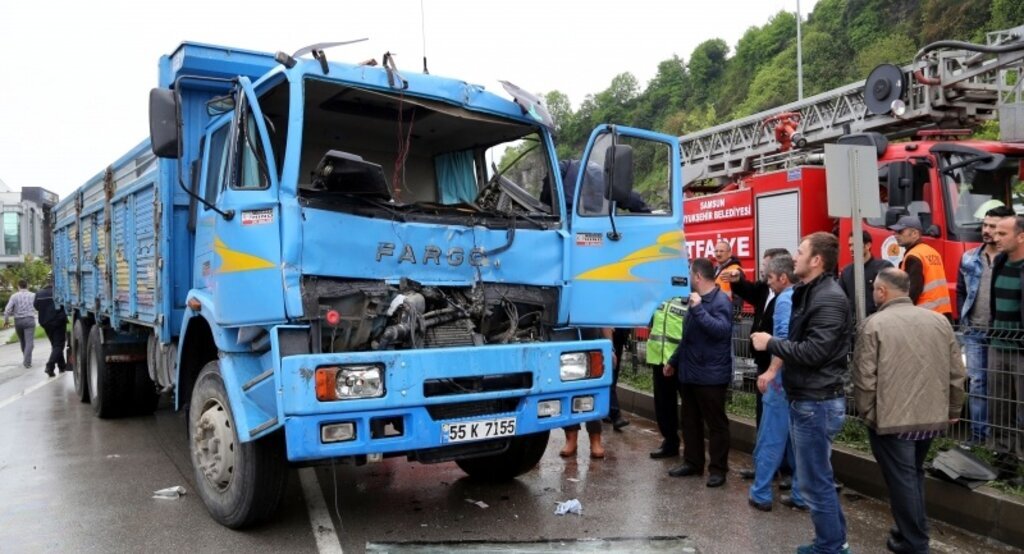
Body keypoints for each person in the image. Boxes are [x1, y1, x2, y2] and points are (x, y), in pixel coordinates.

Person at [751, 232, 852, 554]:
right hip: (808, 399)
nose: (794, 257)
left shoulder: (828, 298)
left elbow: (814, 352)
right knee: (815, 479)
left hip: (817, 402)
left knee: (815, 482)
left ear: (816, 260)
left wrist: (771, 344)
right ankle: (833, 542)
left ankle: (830, 547)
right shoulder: (809, 292)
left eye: (800, 251)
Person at [853, 268, 965, 553]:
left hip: (891, 420)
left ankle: (915, 541)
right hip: (930, 416)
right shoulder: (939, 321)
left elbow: (865, 378)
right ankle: (911, 530)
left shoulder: (873, 324)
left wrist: (868, 414)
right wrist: (953, 407)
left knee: (902, 479)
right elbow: (956, 372)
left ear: (882, 291)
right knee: (912, 474)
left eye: (875, 289)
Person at [664, 257, 734, 487]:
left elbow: (721, 331)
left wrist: (698, 309)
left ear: (697, 277)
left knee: (716, 424)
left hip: (711, 376)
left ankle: (718, 469)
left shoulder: (720, 301)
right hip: (690, 372)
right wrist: (673, 361)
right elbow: (688, 338)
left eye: (689, 273)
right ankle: (693, 463)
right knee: (690, 421)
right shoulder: (697, 300)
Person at [748, 254, 805, 512]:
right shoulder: (805, 295)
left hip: (781, 379)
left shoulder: (784, 299)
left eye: (770, 278)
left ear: (783, 277)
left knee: (771, 435)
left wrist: (771, 372)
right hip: (801, 379)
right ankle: (800, 494)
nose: (768, 283)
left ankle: (760, 493)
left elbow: (781, 341)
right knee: (797, 440)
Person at [957, 205, 1015, 446]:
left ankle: (1002, 440)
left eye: (994, 227)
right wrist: (965, 320)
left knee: (1002, 387)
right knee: (977, 383)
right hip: (974, 330)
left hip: (999, 332)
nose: (987, 231)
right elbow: (961, 290)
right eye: (985, 225)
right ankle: (979, 438)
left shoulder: (1009, 259)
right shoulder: (969, 257)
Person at [988, 215, 1024, 460]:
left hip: (1020, 349)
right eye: (995, 232)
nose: (995, 237)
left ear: (1021, 236)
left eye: (1002, 234)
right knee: (999, 407)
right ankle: (1004, 458)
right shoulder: (1000, 261)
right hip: (998, 345)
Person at [888, 215, 953, 322]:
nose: (895, 235)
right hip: (943, 314)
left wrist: (900, 314)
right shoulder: (932, 252)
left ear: (915, 234)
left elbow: (913, 291)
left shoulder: (914, 256)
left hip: (924, 316)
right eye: (895, 232)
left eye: (900, 232)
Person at [560, 327, 611, 460]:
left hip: (593, 344)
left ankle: (595, 440)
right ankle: (571, 439)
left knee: (593, 393)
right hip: (568, 341)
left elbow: (606, 322)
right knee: (568, 391)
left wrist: (610, 348)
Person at [646, 296, 687, 459]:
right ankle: (670, 442)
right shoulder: (660, 295)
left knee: (690, 408)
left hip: (682, 361)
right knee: (663, 405)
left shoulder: (690, 296)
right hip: (659, 359)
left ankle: (692, 449)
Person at [839, 231, 892, 318]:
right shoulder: (846, 272)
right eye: (850, 245)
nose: (851, 249)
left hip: (879, 321)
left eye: (855, 245)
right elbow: (842, 301)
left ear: (867, 245)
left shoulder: (884, 267)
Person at [34, 277, 69, 377]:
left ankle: (62, 365)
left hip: (46, 323)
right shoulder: (59, 292)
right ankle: (50, 366)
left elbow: (36, 306)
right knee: (58, 345)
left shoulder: (39, 293)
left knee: (55, 345)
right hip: (58, 322)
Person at [4, 279, 37, 369]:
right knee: (29, 342)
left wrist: (6, 321)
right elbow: (37, 306)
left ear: (18, 286)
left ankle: (26, 358)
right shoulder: (33, 295)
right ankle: (27, 361)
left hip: (18, 321)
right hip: (29, 319)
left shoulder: (14, 296)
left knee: (23, 341)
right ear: (28, 285)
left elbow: (7, 310)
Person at [603, 328, 631, 431]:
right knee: (610, 375)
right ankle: (615, 415)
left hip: (618, 338)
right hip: (608, 337)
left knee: (613, 376)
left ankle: (607, 410)